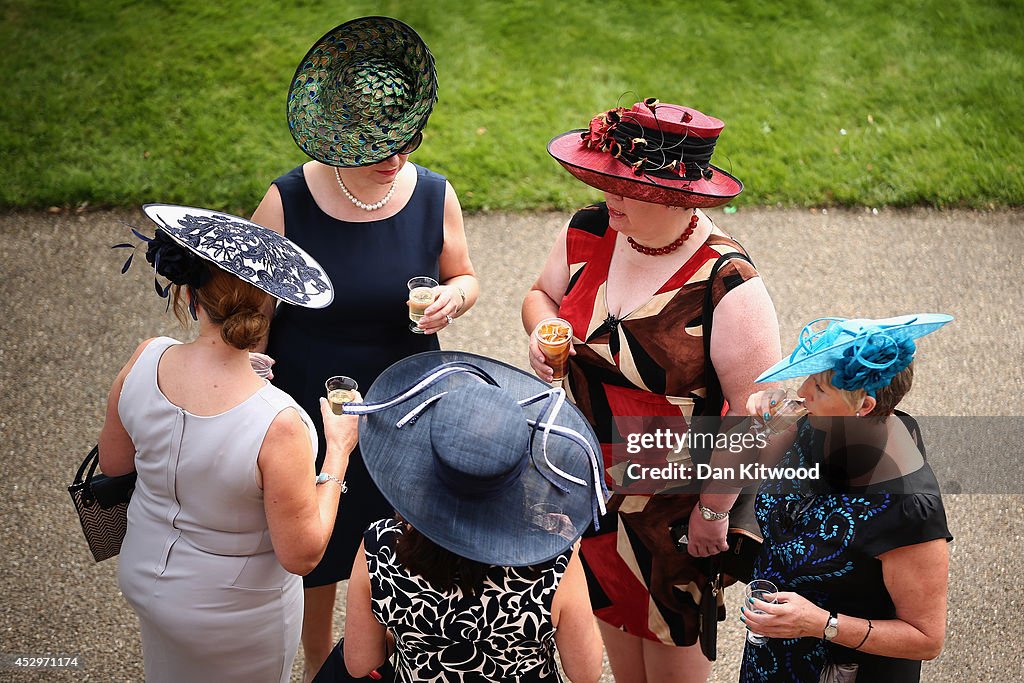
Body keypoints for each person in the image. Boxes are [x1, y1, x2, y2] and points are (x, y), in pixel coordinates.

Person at [249, 17, 479, 677]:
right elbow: (253, 315)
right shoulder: (286, 202)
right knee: (316, 561)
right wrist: (252, 384)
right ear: (339, 134)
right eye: (381, 146)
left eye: (408, 142)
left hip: (404, 409)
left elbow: (465, 274)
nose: (397, 159)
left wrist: (454, 297)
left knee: (402, 557)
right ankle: (321, 663)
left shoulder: (434, 194)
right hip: (309, 410)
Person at [522, 98, 782, 682]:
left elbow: (752, 412)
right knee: (615, 638)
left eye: (627, 187)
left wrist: (714, 510)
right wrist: (543, 331)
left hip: (674, 508)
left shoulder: (728, 281)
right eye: (606, 180)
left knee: (669, 652)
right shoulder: (589, 229)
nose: (607, 195)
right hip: (587, 484)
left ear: (680, 196)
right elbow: (539, 295)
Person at [99, 204, 359, 682]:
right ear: (269, 304)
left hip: (144, 574)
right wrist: (338, 451)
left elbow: (115, 465)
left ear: (191, 295)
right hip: (231, 613)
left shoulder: (146, 356)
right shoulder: (279, 422)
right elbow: (301, 555)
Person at [710, 314, 953, 682]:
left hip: (841, 669)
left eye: (820, 388)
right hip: (776, 647)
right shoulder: (821, 423)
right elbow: (771, 476)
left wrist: (819, 623)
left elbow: (926, 639)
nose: (803, 390)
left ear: (865, 406)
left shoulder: (909, 507)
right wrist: (767, 422)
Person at [338, 351, 606, 682]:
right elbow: (586, 672)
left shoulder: (381, 547)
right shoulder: (554, 561)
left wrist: (411, 635)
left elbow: (360, 663)